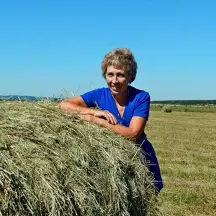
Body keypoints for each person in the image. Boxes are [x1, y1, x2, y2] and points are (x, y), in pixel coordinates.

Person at [59, 48, 163, 193]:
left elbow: (133, 134)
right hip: (111, 163)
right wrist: (93, 112)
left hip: (140, 160)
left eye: (120, 75)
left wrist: (97, 121)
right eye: (110, 75)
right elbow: (63, 105)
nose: (114, 81)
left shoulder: (141, 97)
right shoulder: (100, 95)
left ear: (130, 77)